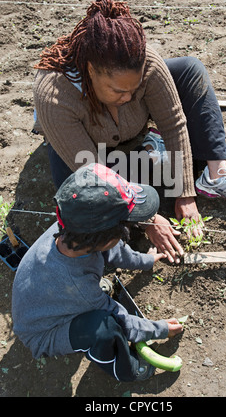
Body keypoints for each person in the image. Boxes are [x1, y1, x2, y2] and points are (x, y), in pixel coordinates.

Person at [33, 0, 226, 263]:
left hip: (124, 146)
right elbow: (92, 171)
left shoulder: (147, 63)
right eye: (119, 91)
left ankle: (216, 173)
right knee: (86, 210)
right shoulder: (55, 95)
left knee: (191, 70)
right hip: (82, 154)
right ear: (91, 71)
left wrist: (184, 192)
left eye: (134, 88)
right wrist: (149, 218)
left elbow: (174, 124)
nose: (128, 98)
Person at [12, 163, 183, 382]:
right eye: (125, 226)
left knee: (92, 303)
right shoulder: (75, 283)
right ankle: (128, 370)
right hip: (44, 332)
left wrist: (146, 261)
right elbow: (118, 317)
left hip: (52, 300)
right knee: (103, 327)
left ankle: (76, 309)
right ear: (106, 238)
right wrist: (157, 329)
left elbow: (115, 249)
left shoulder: (75, 231)